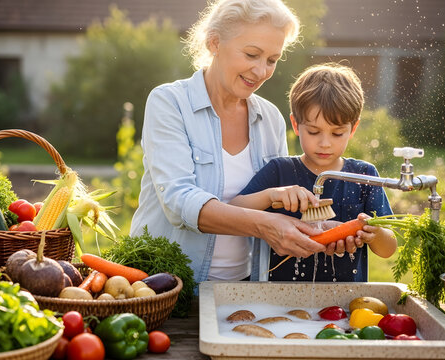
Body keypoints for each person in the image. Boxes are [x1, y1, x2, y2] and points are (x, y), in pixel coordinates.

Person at [129, 0, 328, 285]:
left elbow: (277, 212)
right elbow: (179, 201)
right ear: (215, 43)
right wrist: (265, 225)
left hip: (243, 289)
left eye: (272, 60)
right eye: (251, 54)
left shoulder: (270, 118)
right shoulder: (170, 103)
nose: (261, 71)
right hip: (165, 287)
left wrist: (322, 228)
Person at [230, 63, 397, 282]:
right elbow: (233, 210)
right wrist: (271, 195)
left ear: (353, 129)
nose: (325, 143)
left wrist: (374, 234)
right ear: (296, 125)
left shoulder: (364, 176)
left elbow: (388, 249)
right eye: (314, 131)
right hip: (279, 300)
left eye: (337, 133)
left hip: (345, 305)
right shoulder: (280, 171)